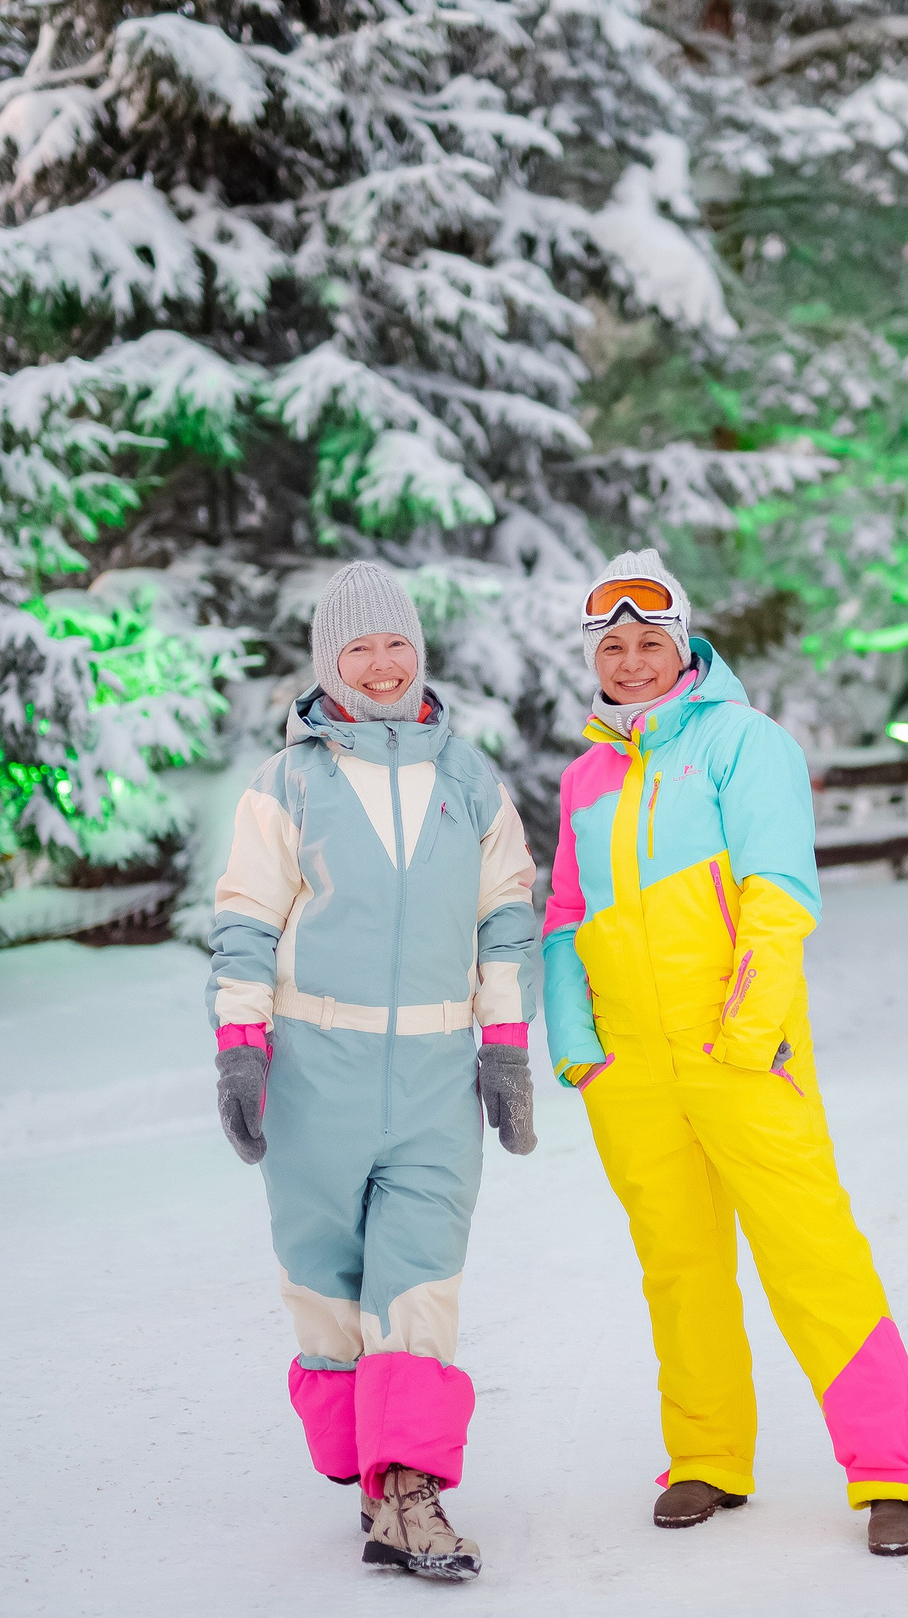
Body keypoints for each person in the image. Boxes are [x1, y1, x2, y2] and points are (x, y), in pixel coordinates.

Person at [541, 549, 908, 1558]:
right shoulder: (586, 776)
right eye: (614, 646)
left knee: (812, 1256)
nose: (632, 662)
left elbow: (779, 895)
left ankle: (894, 1470)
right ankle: (706, 1458)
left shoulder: (741, 743)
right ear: (592, 659)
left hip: (741, 1053)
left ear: (682, 647)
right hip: (631, 1073)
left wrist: (748, 1031)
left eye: (651, 642)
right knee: (678, 1269)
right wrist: (577, 1049)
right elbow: (561, 916)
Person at [206, 562, 541, 1582]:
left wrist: (505, 1047)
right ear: (329, 663)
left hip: (438, 1069)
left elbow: (507, 919)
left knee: (420, 1284)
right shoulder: (288, 783)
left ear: (418, 651)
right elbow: (245, 922)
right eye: (359, 648)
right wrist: (240, 1048)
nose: (383, 664)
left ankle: (410, 1489)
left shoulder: (470, 779)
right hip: (318, 1069)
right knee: (326, 1289)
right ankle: (371, 1469)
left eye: (396, 644)